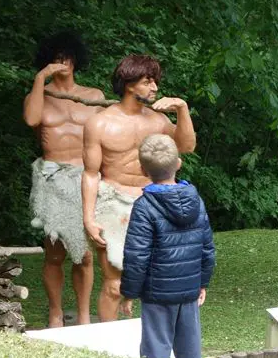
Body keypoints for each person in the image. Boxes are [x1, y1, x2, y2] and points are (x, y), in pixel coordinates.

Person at [82, 54, 196, 323]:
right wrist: (88, 218)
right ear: (129, 83)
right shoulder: (99, 123)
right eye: (148, 81)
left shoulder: (157, 122)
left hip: (153, 202)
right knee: (114, 285)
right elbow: (90, 174)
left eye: (155, 81)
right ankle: (107, 347)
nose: (154, 87)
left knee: (158, 278)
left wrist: (182, 109)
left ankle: (153, 343)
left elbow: (187, 146)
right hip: (113, 203)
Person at [24, 30, 105, 327]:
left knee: (83, 255)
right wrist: (39, 79)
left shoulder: (93, 96)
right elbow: (32, 121)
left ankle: (84, 314)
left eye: (68, 57)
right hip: (53, 180)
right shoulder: (39, 97)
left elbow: (107, 135)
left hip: (84, 178)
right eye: (57, 58)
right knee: (55, 253)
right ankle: (56, 311)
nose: (64, 63)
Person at [119, 134, 215, 358]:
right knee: (191, 356)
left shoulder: (144, 206)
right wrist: (202, 282)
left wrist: (129, 293)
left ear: (143, 170)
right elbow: (207, 247)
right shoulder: (197, 201)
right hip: (189, 292)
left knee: (155, 357)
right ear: (179, 164)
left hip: (157, 295)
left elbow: (136, 256)